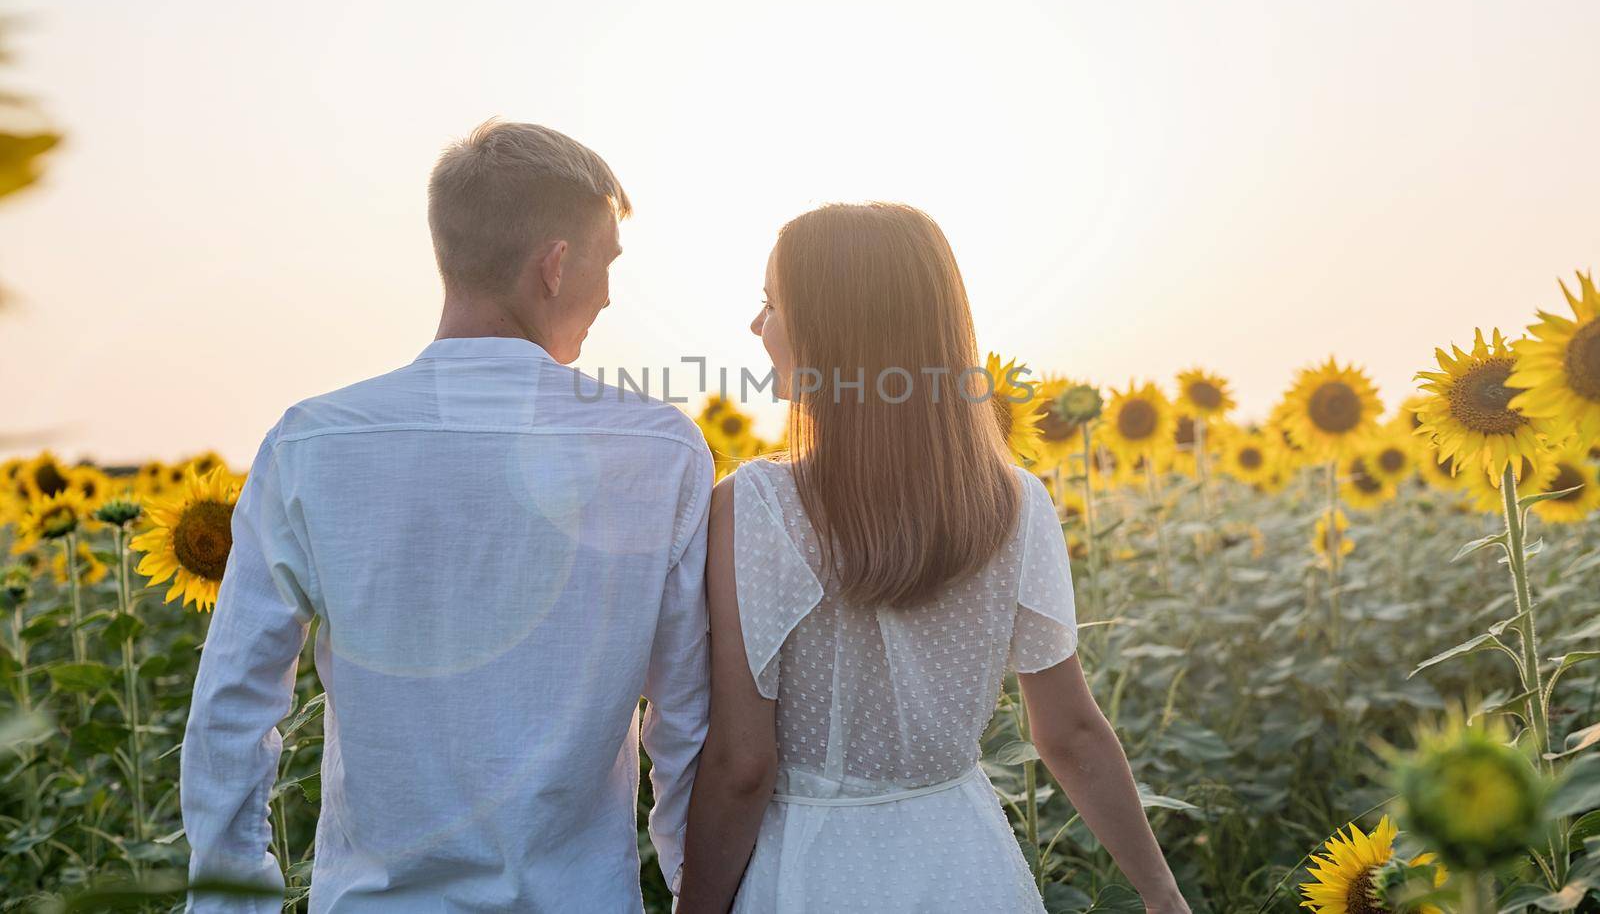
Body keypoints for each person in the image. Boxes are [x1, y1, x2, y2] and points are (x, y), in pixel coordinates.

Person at [179, 120, 714, 912]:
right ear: (556, 266)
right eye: (607, 265)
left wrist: (234, 901)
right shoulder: (658, 452)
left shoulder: (314, 443)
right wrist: (687, 888)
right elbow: (688, 720)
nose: (609, 293)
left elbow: (232, 701)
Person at [676, 202, 1189, 913]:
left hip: (812, 873)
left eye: (772, 304)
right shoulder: (1016, 504)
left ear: (836, 330)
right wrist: (1163, 894)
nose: (757, 327)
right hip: (966, 865)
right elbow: (1070, 733)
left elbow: (741, 766)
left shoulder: (757, 506)